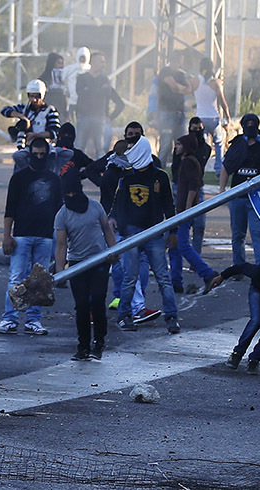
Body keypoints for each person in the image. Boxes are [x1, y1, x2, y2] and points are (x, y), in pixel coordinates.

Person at [84, 122, 161, 325]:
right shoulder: (114, 165)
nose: (133, 140)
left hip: (135, 222)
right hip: (113, 222)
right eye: (130, 136)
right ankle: (131, 308)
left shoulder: (147, 163)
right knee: (117, 266)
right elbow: (92, 171)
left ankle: (130, 305)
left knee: (131, 266)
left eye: (137, 136)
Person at [109, 136, 181, 334]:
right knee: (129, 277)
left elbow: (169, 204)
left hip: (154, 232)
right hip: (131, 232)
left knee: (162, 277)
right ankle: (124, 316)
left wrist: (173, 231)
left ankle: (172, 316)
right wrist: (113, 219)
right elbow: (118, 202)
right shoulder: (126, 177)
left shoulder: (160, 176)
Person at [0, 138, 62, 336]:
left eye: (42, 154)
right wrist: (7, 236)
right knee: (16, 277)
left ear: (47, 155)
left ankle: (33, 319)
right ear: (30, 154)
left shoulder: (54, 179)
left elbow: (59, 212)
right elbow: (10, 209)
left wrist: (60, 240)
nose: (39, 157)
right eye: (36, 154)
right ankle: (10, 318)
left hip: (45, 236)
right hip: (21, 235)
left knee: (40, 280)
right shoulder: (19, 178)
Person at [55, 171, 117, 361]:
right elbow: (61, 244)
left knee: (98, 300)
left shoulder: (96, 207)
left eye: (74, 193)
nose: (72, 197)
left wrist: (113, 251)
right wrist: (60, 273)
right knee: (81, 306)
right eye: (68, 194)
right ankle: (83, 346)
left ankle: (99, 343)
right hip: (77, 264)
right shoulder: (62, 214)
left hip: (99, 262)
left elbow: (107, 229)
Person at [220, 114, 260, 267]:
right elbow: (226, 168)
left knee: (258, 234)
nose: (250, 126)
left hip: (256, 198)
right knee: (238, 235)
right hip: (237, 197)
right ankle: (238, 267)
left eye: (253, 123)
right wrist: (222, 191)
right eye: (248, 123)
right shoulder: (237, 145)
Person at [168, 134, 219, 294]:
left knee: (182, 244)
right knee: (174, 245)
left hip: (185, 211)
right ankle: (175, 281)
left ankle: (208, 273)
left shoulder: (190, 162)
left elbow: (194, 185)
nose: (176, 147)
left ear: (187, 147)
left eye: (179, 144)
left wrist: (188, 207)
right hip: (181, 210)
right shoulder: (185, 161)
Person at [170, 117, 211, 260]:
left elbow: (195, 182)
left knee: (198, 225)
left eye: (199, 129)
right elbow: (175, 168)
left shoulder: (203, 150)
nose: (196, 132)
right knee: (177, 228)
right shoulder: (181, 148)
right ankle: (180, 258)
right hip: (180, 186)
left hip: (195, 188)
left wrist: (188, 204)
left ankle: (195, 259)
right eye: (193, 128)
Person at [76, 52, 124, 158]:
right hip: (83, 116)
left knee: (100, 148)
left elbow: (106, 93)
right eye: (101, 61)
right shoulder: (82, 77)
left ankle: (101, 171)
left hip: (99, 117)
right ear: (93, 62)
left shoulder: (104, 79)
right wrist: (98, 89)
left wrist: (89, 89)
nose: (103, 64)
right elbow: (80, 92)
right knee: (79, 147)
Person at [190, 57, 231, 178]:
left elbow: (193, 95)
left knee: (201, 145)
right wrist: (227, 115)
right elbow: (222, 101)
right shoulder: (216, 82)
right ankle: (218, 169)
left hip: (200, 117)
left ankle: (199, 167)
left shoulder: (195, 81)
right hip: (213, 117)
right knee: (218, 144)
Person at [1, 79, 61, 150]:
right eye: (31, 96)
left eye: (37, 97)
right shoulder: (24, 108)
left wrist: (36, 135)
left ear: (42, 96)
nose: (34, 100)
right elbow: (4, 110)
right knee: (18, 156)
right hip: (27, 146)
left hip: (44, 147)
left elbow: (55, 132)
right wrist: (23, 117)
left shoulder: (50, 110)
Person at [157, 50, 192, 167]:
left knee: (182, 144)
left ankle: (178, 173)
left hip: (180, 113)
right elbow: (174, 86)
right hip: (167, 113)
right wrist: (180, 87)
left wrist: (179, 88)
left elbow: (188, 89)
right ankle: (159, 172)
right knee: (166, 145)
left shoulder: (181, 74)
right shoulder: (165, 71)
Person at [62, 46, 91, 122]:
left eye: (84, 57)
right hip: (73, 102)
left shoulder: (90, 70)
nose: (82, 60)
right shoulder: (71, 69)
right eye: (81, 57)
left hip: (86, 103)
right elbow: (59, 79)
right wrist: (65, 90)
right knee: (71, 121)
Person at [39, 52, 68, 119]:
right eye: (59, 63)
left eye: (62, 63)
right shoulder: (44, 79)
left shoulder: (63, 78)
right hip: (47, 111)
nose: (61, 66)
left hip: (60, 111)